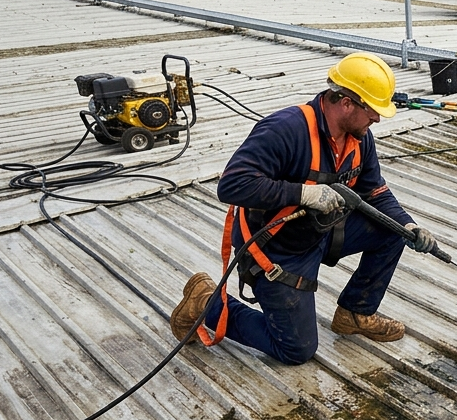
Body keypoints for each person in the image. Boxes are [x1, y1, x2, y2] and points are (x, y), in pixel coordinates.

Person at [167, 52, 438, 364]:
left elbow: (374, 191)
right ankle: (206, 303)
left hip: (321, 232)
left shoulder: (359, 137)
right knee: (296, 350)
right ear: (347, 102)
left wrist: (408, 226)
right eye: (373, 111)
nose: (377, 118)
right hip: (277, 246)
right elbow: (231, 185)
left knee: (392, 231)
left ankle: (355, 313)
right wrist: (304, 194)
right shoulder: (286, 130)